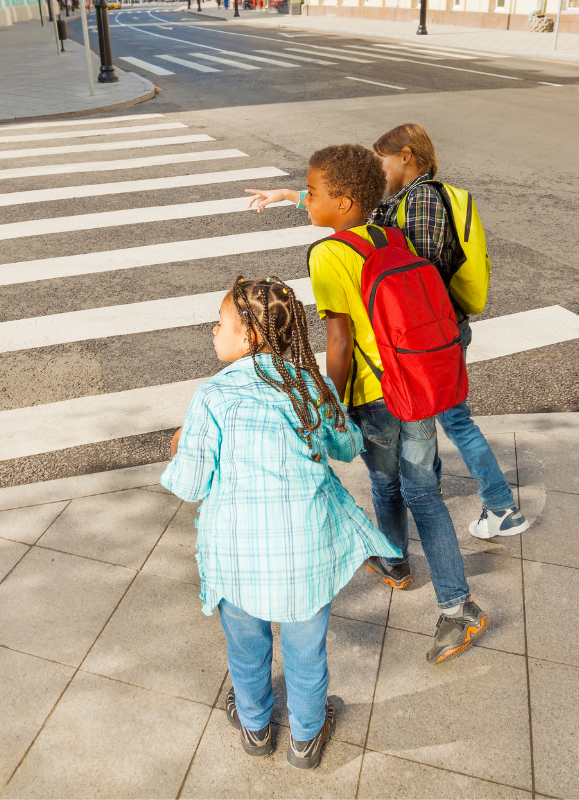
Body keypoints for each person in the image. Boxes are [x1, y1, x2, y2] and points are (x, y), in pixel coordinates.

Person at [246, 123, 528, 549]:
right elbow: (356, 213)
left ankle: (500, 505)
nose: (377, 170)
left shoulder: (423, 201)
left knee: (454, 420)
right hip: (417, 338)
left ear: (406, 156)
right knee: (435, 423)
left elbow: (418, 274)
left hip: (428, 337)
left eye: (381, 160)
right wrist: (291, 196)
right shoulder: (398, 204)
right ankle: (435, 491)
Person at [162, 276, 400, 768]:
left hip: (237, 557)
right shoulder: (308, 385)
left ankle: (255, 728)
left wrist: (179, 444)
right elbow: (348, 445)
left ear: (248, 335)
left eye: (221, 322)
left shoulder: (213, 397)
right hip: (305, 554)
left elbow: (188, 484)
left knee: (247, 651)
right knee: (306, 653)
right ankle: (307, 738)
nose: (213, 329)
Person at [273, 144, 491, 664]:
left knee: (394, 484)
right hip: (414, 384)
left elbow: (339, 339)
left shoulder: (327, 255)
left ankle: (458, 606)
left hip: (373, 394)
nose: (306, 199)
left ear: (345, 202)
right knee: (421, 488)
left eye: (313, 192)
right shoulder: (388, 234)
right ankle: (396, 561)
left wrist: (333, 398)